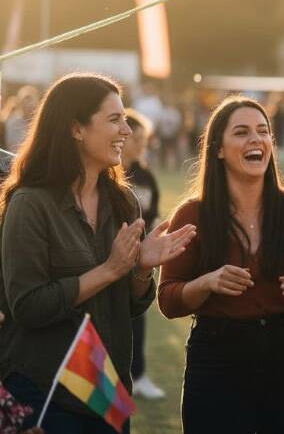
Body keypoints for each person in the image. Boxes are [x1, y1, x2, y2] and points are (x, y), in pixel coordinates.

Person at [0, 73, 195, 433]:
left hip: (107, 390)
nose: (127, 130)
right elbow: (26, 305)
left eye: (125, 118)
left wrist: (139, 270)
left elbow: (131, 306)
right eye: (114, 119)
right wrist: (108, 269)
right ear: (76, 129)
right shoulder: (30, 204)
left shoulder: (123, 202)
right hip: (44, 392)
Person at [157, 96, 284, 434]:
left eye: (263, 131)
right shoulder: (192, 215)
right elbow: (168, 300)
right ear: (218, 149)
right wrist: (207, 283)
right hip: (217, 355)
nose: (256, 140)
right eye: (241, 132)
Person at [120, 109, 165, 401]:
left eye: (144, 139)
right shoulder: (106, 174)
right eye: (136, 138)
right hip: (111, 259)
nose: (141, 144)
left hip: (139, 261)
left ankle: (138, 375)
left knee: (138, 317)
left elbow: (153, 214)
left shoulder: (146, 175)